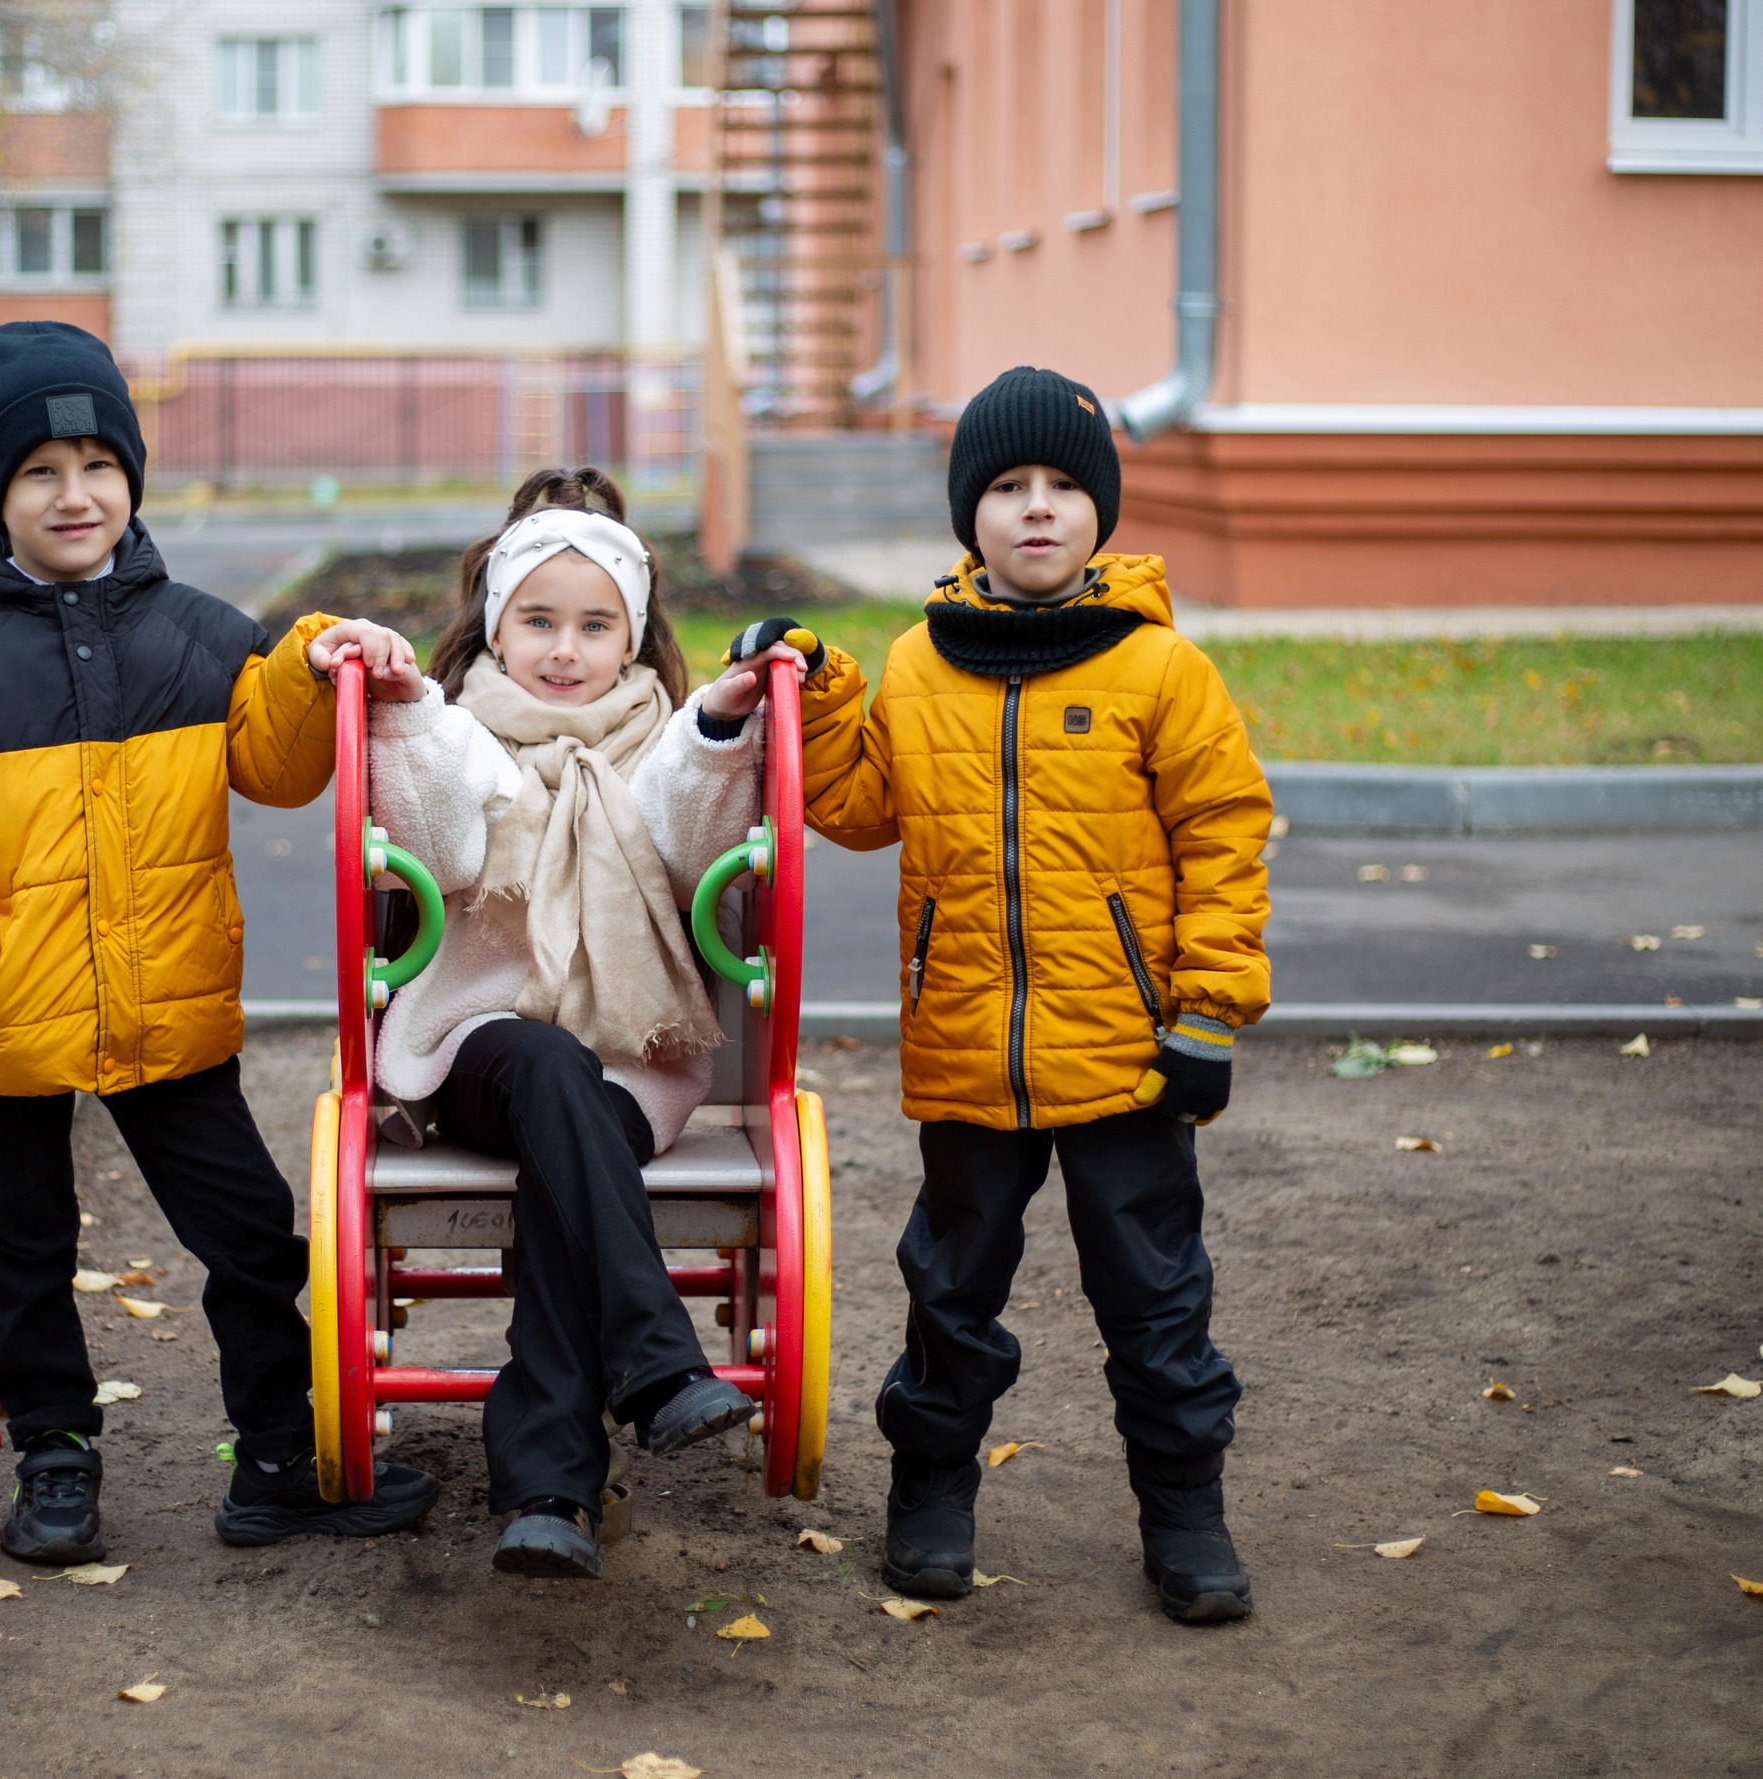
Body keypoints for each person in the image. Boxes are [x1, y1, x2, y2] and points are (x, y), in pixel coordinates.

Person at [0, 320, 439, 1565]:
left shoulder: (198, 633)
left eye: (97, 466)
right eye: (39, 472)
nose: (74, 495)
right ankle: (55, 1460)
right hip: (7, 1012)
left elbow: (278, 767)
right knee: (22, 1247)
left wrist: (313, 660)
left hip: (168, 999)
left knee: (250, 1233)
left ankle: (277, 1459)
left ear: (131, 476)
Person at [747, 365, 1272, 1621]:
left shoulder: (1161, 671)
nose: (1035, 508)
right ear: (967, 516)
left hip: (1127, 1056)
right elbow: (860, 807)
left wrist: (1207, 1013)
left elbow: (1224, 836)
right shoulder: (919, 663)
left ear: (1100, 512)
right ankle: (931, 1493)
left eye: (1061, 488)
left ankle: (1185, 1516)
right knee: (950, 1290)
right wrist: (814, 693)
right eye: (1005, 488)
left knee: (1155, 1299)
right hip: (968, 1048)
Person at [358, 467, 807, 1580]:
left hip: (627, 1067)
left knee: (577, 1143)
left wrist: (722, 727)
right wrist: (404, 711)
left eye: (596, 625)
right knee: (550, 1068)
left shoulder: (668, 743)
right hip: (477, 1045)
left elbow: (696, 850)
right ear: (495, 627)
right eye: (539, 622)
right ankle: (656, 1361)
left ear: (634, 637)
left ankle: (550, 1494)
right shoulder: (459, 733)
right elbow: (436, 847)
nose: (565, 650)